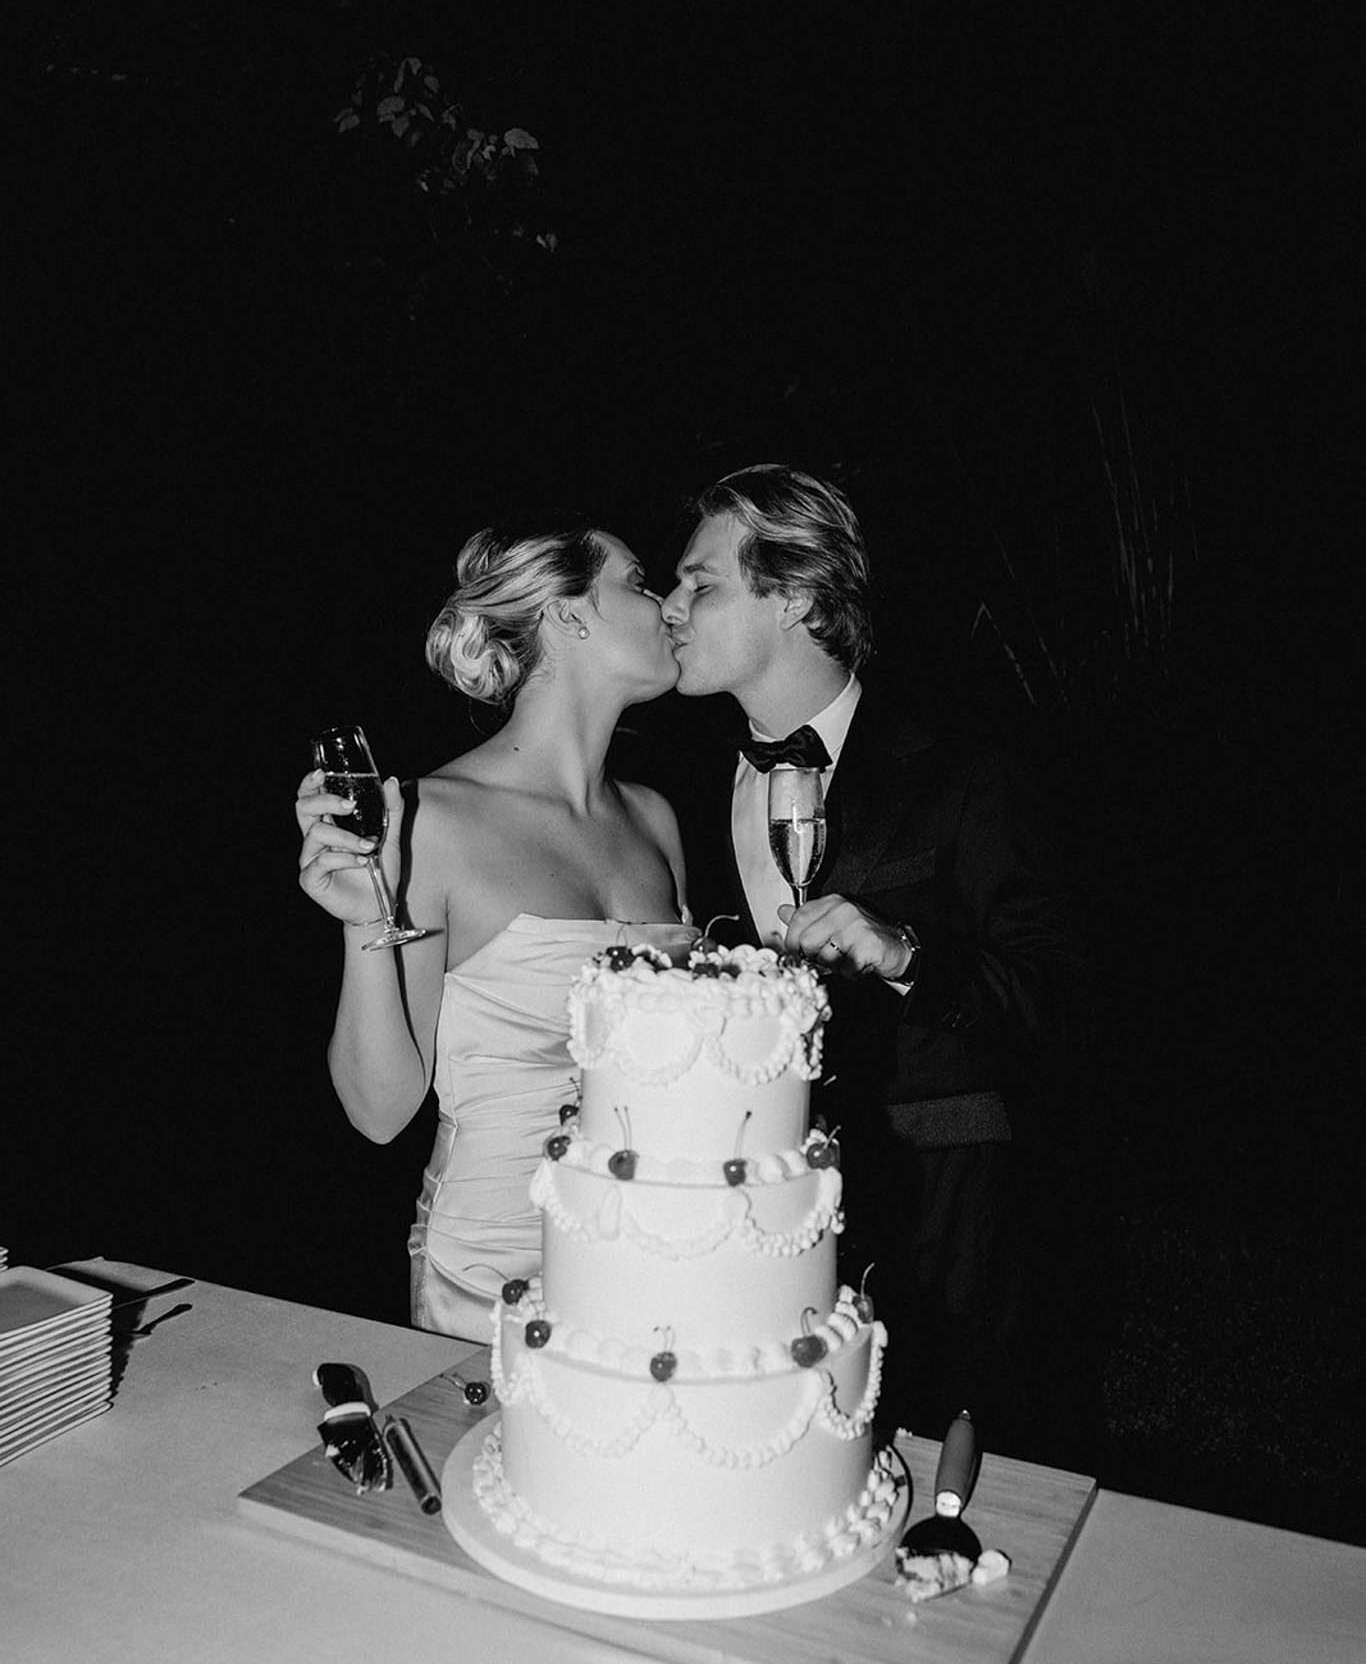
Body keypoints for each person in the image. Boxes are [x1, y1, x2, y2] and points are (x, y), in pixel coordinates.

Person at [660, 465, 1087, 1453]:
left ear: (799, 593)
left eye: (702, 582)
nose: (672, 606)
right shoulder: (669, 790)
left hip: (940, 1207)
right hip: (747, 1208)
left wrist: (908, 955)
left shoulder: (968, 765)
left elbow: (1061, 996)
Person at [296, 524, 686, 1342]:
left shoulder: (656, 821)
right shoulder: (431, 817)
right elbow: (379, 1111)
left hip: (656, 1263)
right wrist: (365, 921)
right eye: (641, 580)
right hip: (495, 1276)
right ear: (570, 612)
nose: (669, 604)